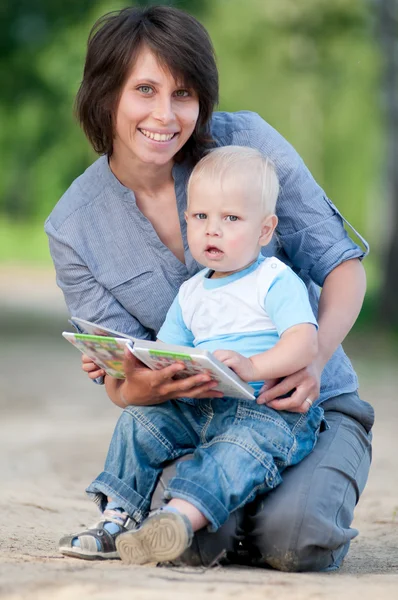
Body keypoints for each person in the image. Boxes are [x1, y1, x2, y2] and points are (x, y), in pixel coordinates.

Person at [45, 5, 374, 571]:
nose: (165, 115)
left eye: (184, 93)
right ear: (105, 96)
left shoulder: (246, 145)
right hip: (199, 417)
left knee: (297, 541)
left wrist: (311, 362)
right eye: (144, 89)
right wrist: (137, 385)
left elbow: (342, 265)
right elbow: (124, 388)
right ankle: (179, 513)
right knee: (194, 544)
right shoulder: (73, 227)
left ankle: (264, 507)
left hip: (306, 404)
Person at [89, 146, 323, 565]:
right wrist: (113, 360)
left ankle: (176, 520)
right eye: (201, 218)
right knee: (138, 422)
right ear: (188, 221)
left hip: (264, 410)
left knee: (235, 451)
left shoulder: (273, 280)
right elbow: (164, 354)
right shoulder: (191, 292)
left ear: (264, 231)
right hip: (198, 406)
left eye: (230, 218)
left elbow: (304, 342)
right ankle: (116, 518)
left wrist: (253, 367)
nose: (212, 230)